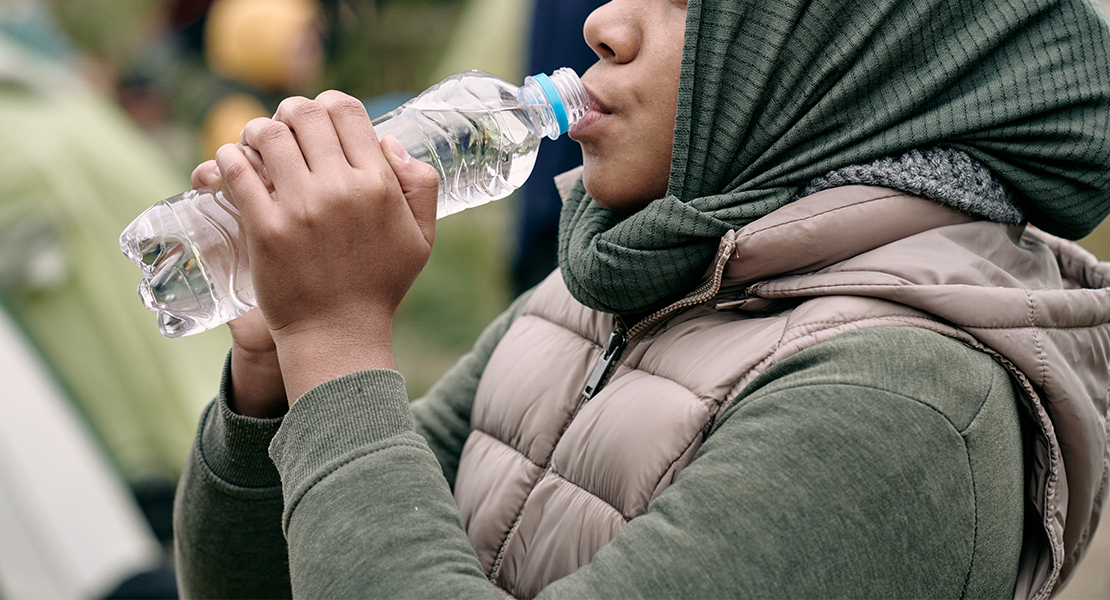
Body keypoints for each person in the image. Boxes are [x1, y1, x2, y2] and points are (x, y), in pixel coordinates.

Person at [172, 0, 1110, 598]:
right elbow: (272, 578)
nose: (602, 24)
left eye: (680, 3)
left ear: (839, 62)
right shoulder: (606, 284)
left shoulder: (903, 404)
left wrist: (339, 339)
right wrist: (280, 367)